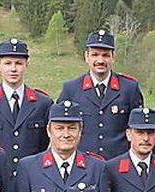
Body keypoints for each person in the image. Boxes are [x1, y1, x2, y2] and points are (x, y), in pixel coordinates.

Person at [10, 100, 116, 192]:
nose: (66, 134)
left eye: (72, 128)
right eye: (59, 128)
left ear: (80, 131)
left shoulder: (96, 167)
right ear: (48, 130)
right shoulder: (28, 167)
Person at [57, 30, 143, 158]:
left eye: (105, 55)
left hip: (119, 166)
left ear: (113, 57)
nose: (100, 60)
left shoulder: (129, 88)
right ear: (86, 56)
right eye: (95, 54)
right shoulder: (71, 89)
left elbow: (139, 129)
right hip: (83, 164)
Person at [0, 38, 53, 167]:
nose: (13, 69)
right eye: (8, 63)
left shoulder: (43, 103)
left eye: (18, 63)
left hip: (32, 176)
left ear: (26, 64)